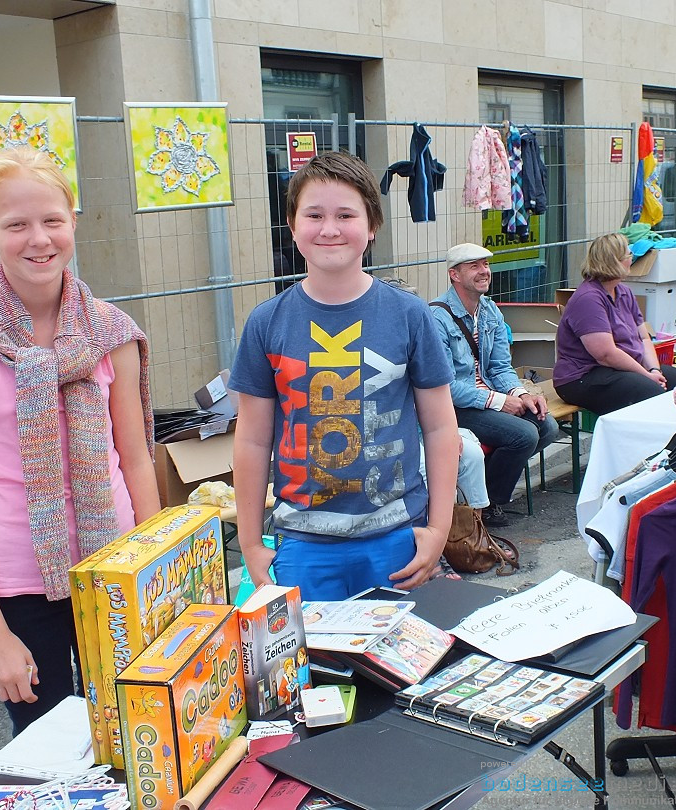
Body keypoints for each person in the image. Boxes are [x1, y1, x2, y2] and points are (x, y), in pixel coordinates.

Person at [0, 146, 160, 736]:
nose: (39, 239)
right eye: (16, 225)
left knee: (143, 737)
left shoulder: (113, 335)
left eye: (52, 220)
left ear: (73, 222)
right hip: (22, 591)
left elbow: (135, 461)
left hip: (117, 574)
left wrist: (158, 569)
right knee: (49, 756)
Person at [229, 151, 459, 602]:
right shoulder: (266, 323)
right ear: (292, 228)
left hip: (397, 538)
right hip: (301, 545)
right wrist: (253, 544)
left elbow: (439, 426)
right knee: (315, 670)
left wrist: (439, 527)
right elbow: (252, 440)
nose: (329, 228)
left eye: (345, 214)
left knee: (396, 670)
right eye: (313, 215)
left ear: (371, 226)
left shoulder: (410, 315)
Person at [430, 243, 559, 528]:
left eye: (486, 265)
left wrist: (521, 394)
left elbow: (500, 367)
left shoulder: (490, 311)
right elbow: (444, 386)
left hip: (487, 397)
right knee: (524, 435)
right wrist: (500, 402)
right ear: (454, 274)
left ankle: (481, 492)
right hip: (453, 407)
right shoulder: (436, 318)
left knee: (547, 425)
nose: (484, 271)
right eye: (474, 266)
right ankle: (489, 504)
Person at [553, 233, 676, 413]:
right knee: (654, 395)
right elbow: (606, 354)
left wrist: (654, 370)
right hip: (583, 376)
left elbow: (644, 338)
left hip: (621, 369)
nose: (631, 258)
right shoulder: (588, 299)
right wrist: (646, 376)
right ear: (614, 262)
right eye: (628, 255)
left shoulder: (624, 292)